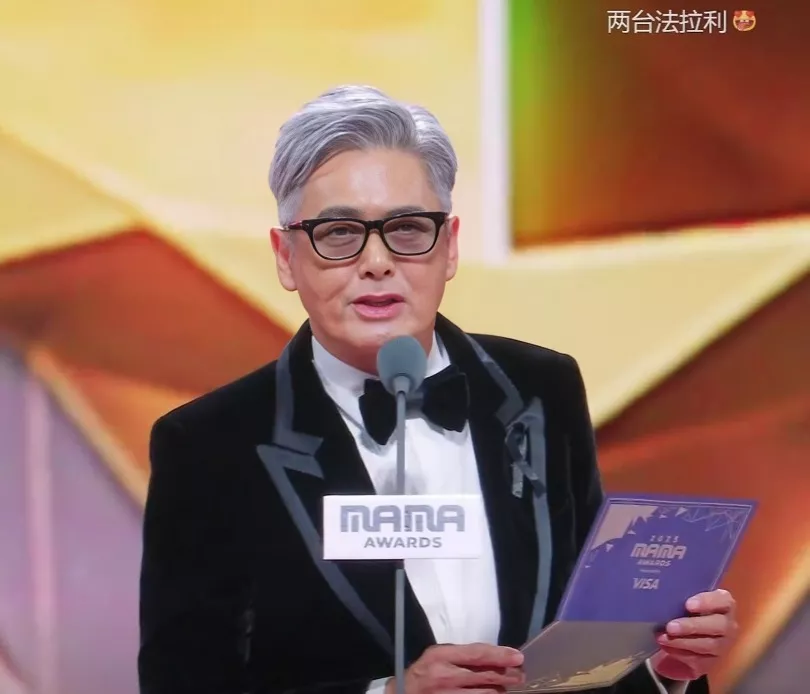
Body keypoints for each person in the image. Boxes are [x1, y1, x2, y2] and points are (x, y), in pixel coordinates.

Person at [138, 86, 738, 694]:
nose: (377, 262)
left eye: (406, 229)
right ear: (286, 257)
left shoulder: (541, 390)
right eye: (339, 233)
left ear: (449, 247)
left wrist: (663, 669)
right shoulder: (209, 445)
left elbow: (580, 652)